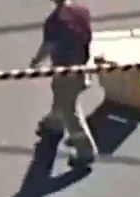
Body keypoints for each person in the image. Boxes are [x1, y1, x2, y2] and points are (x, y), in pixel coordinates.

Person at [30, 0, 99, 168]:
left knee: (70, 111)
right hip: (81, 65)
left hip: (65, 71)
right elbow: (88, 37)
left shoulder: (53, 23)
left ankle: (86, 151)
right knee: (61, 96)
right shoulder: (82, 12)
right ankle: (54, 124)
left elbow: (47, 47)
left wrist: (36, 62)